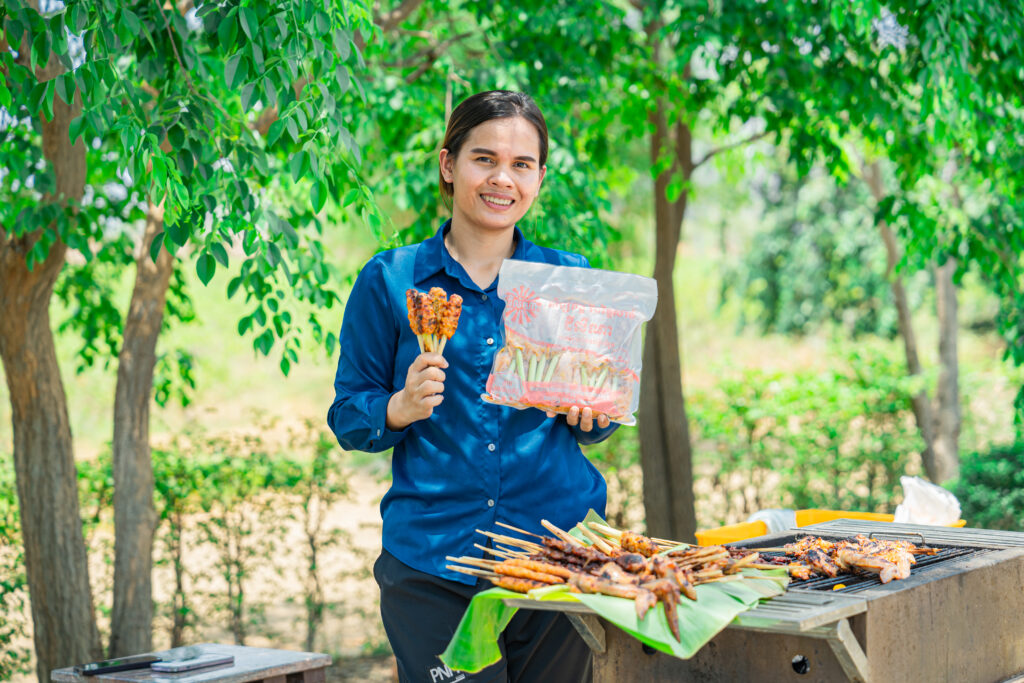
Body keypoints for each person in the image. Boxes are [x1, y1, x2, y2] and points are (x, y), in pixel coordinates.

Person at [327, 90, 618, 683]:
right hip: (434, 563)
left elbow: (600, 419)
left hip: (557, 556)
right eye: (484, 158)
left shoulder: (570, 282)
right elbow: (348, 416)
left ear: (539, 177)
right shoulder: (391, 280)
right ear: (448, 165)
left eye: (521, 164)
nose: (501, 178)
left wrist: (592, 414)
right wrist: (399, 407)